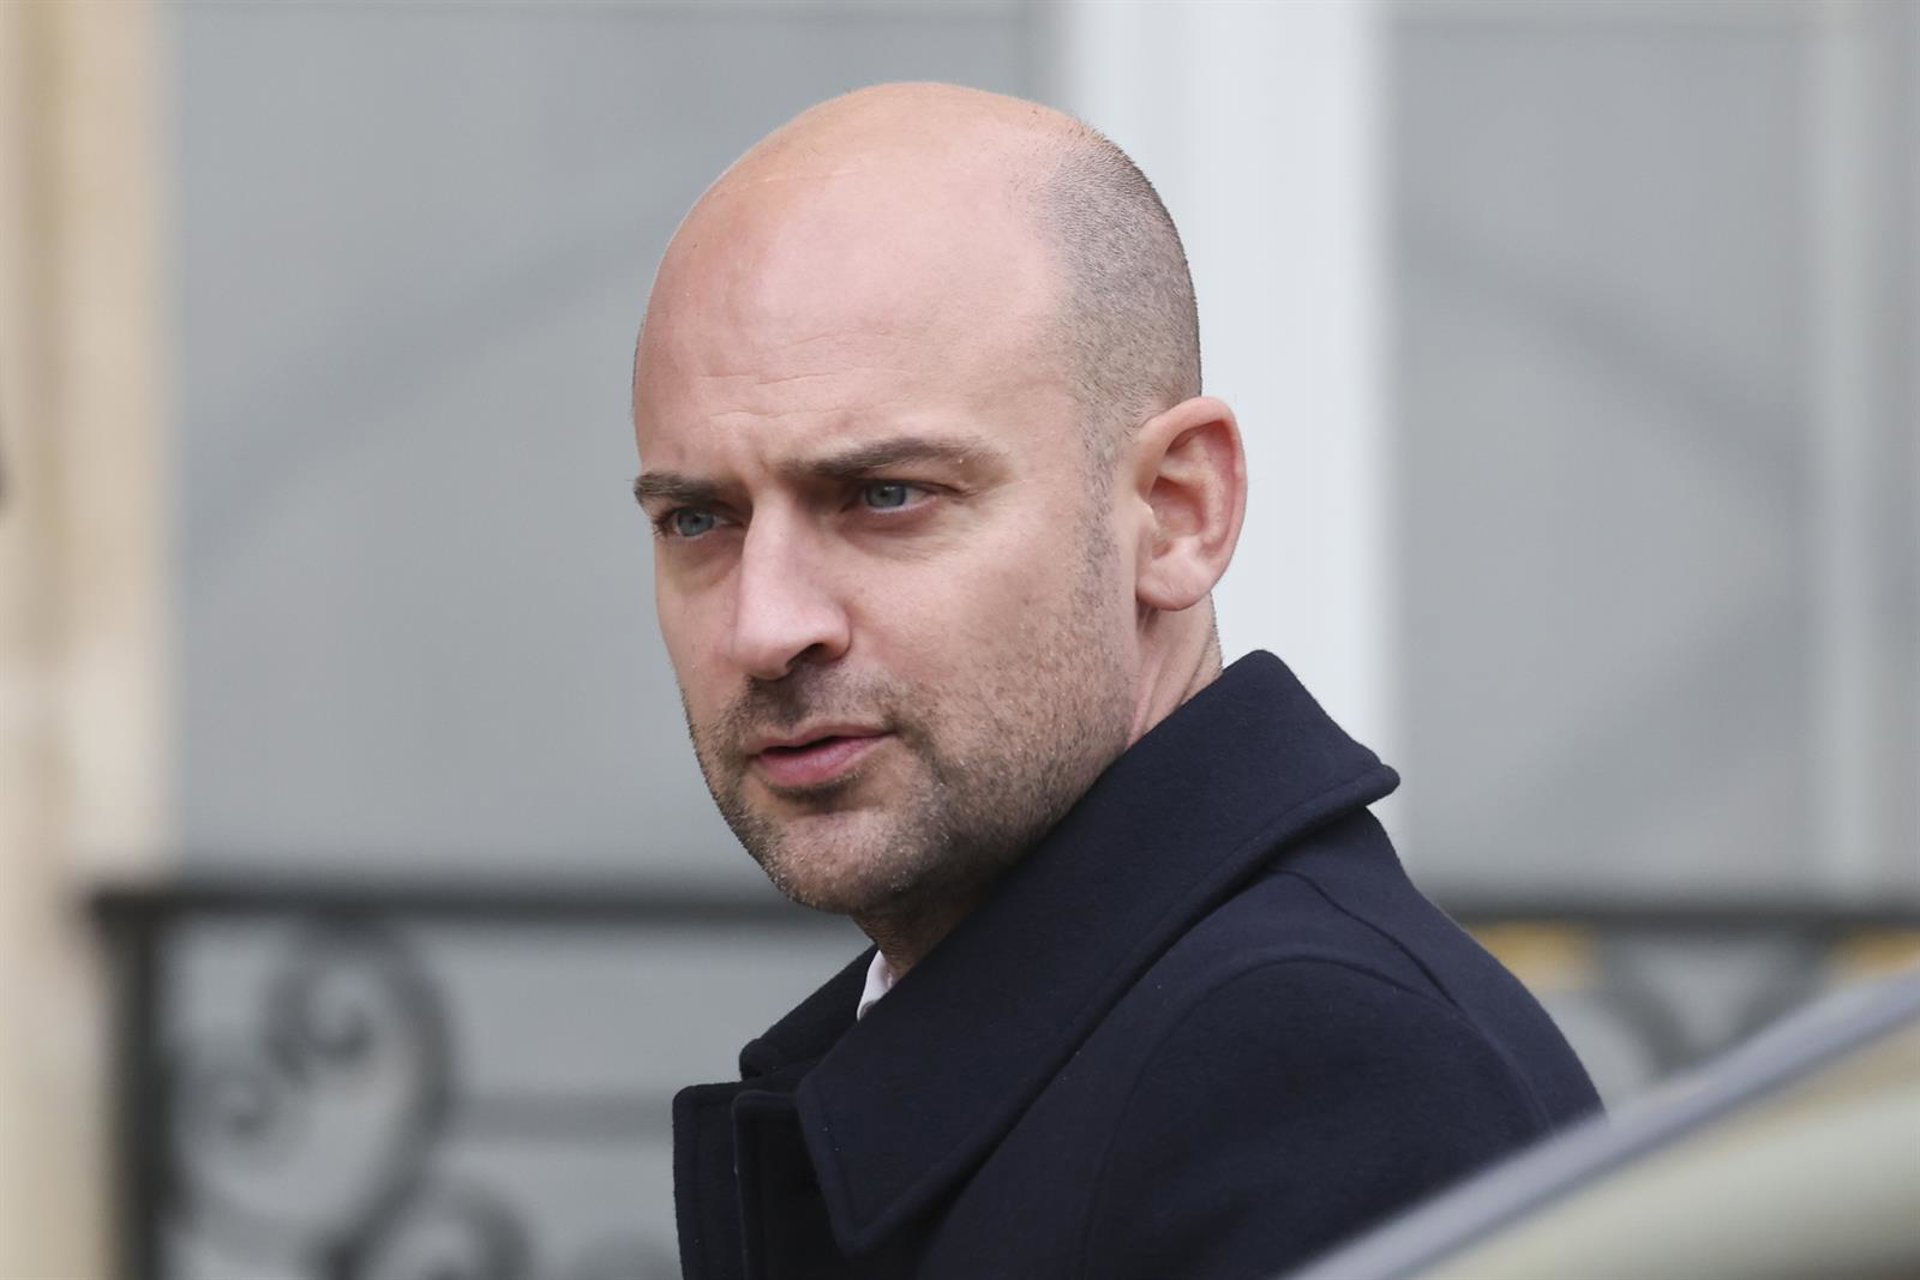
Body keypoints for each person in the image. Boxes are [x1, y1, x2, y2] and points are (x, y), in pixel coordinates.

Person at [630, 83, 1598, 1280]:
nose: (766, 625)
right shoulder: (1116, 1051)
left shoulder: (1316, 1072)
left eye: (887, 495)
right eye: (697, 518)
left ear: (1177, 512)